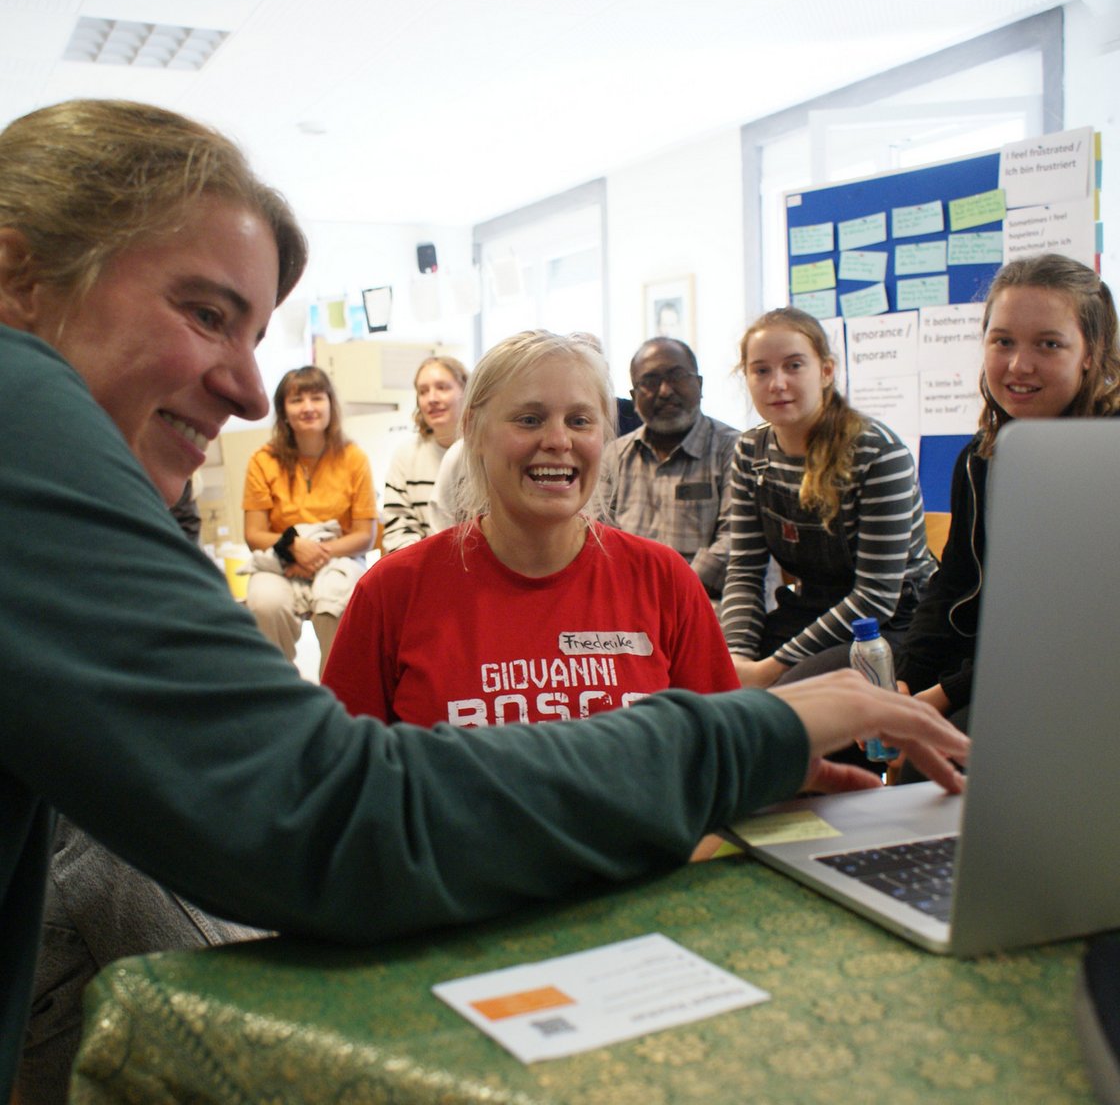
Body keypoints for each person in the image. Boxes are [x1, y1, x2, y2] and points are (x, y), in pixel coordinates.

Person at [0, 98, 970, 1103]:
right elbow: (331, 811)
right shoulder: (27, 424)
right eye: (205, 313)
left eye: (582, 419)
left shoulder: (655, 580)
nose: (251, 391)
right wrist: (736, 738)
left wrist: (732, 763)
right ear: (18, 276)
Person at [322, 330, 739, 726]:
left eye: (579, 421)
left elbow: (724, 755)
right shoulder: (391, 594)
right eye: (529, 419)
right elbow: (338, 776)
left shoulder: (663, 580)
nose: (558, 440)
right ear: (473, 431)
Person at [896, 253, 1120, 731]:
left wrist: (940, 696)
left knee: (951, 751)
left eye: (1049, 344)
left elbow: (1076, 625)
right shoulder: (981, 457)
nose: (1020, 365)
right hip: (989, 663)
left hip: (1079, 674)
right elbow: (953, 583)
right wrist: (905, 680)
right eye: (1002, 341)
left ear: (1091, 351)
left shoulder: (1107, 456)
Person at [722, 306, 936, 688]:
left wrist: (770, 669)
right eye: (761, 370)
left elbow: (876, 595)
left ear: (826, 371)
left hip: (893, 624)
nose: (777, 383)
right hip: (811, 609)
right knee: (704, 683)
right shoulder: (750, 451)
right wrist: (737, 658)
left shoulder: (878, 453)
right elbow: (744, 570)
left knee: (786, 699)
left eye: (793, 366)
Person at [242, 365, 375, 675]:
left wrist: (315, 553)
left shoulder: (353, 457)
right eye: (297, 400)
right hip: (282, 557)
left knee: (336, 604)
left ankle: (337, 695)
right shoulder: (263, 460)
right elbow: (254, 534)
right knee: (264, 604)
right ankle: (280, 691)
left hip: (338, 555)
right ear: (283, 412)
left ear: (330, 405)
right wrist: (294, 548)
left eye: (317, 398)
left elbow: (364, 536)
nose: (308, 408)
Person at [602, 336, 740, 601]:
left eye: (677, 376)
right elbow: (598, 538)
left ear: (699, 384)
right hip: (629, 603)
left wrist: (668, 593)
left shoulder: (734, 449)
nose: (665, 391)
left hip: (710, 604)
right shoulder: (613, 456)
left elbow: (733, 544)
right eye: (650, 382)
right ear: (634, 397)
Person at [379, 355, 469, 553]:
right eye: (423, 391)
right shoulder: (405, 456)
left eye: (442, 388)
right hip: (421, 567)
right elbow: (398, 527)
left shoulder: (487, 453)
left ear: (466, 391)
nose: (432, 399)